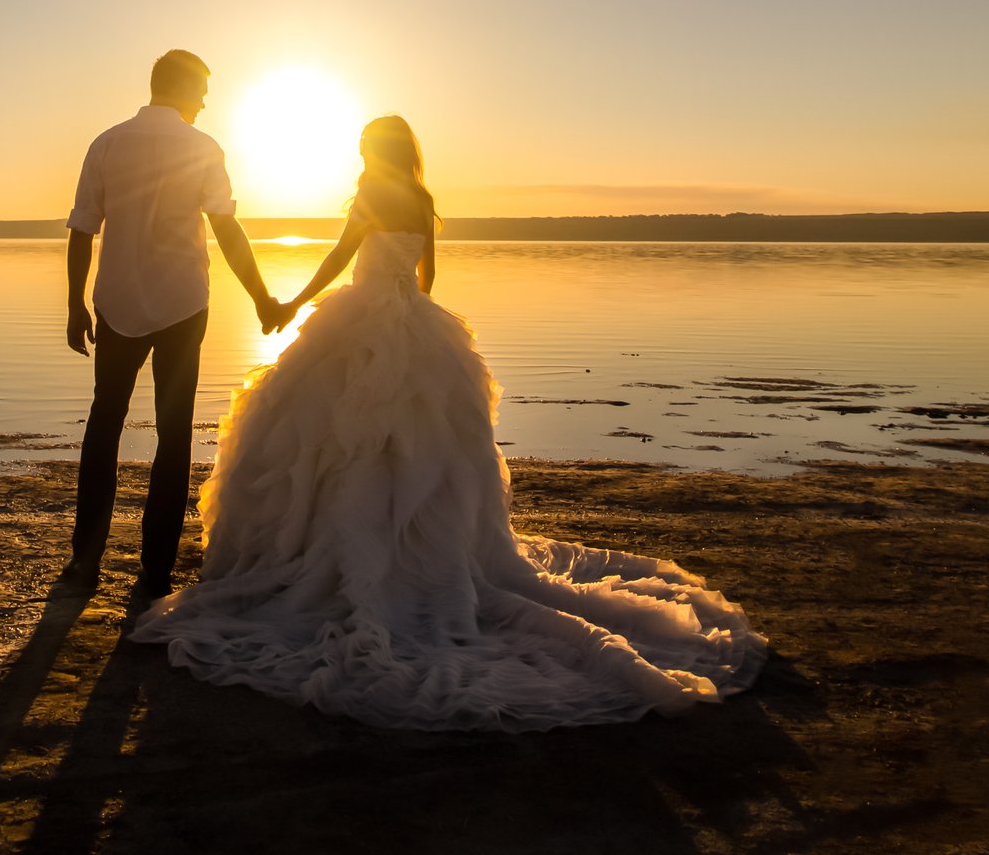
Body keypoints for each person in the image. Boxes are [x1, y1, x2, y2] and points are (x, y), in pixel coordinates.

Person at [126, 116, 768, 731]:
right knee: (417, 449)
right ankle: (420, 546)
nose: (359, 154)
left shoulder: (370, 195)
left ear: (376, 151)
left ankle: (343, 553)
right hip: (413, 317)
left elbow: (340, 257)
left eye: (364, 144)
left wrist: (292, 303)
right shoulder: (420, 197)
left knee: (337, 442)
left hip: (366, 317)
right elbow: (427, 274)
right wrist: (410, 321)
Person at [65, 49, 290, 599]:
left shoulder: (107, 143)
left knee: (104, 423)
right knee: (173, 432)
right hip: (183, 306)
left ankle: (85, 562)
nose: (205, 104)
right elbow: (227, 229)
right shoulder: (202, 147)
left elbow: (82, 230)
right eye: (202, 93)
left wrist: (74, 304)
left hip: (116, 303)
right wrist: (261, 297)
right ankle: (157, 569)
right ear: (184, 89)